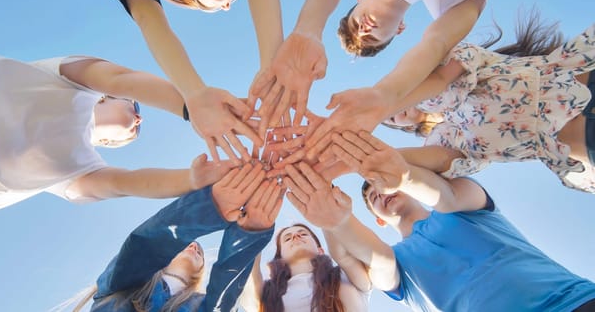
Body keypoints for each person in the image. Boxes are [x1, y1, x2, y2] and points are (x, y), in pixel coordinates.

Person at [286, 129, 595, 311]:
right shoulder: (398, 263)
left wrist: (393, 172)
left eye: (380, 187)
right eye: (371, 198)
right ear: (379, 220)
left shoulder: (462, 208)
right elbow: (379, 261)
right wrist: (337, 219)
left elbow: (444, 193)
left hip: (575, 302)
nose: (379, 194)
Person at [247, 0, 500, 149]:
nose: (365, 29)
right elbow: (437, 43)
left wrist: (308, 30)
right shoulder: (452, 5)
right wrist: (384, 94)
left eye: (356, 24)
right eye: (371, 38)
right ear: (400, 30)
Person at [0, 51, 234, 215]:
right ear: (111, 97)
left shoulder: (82, 169)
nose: (138, 118)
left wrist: (190, 179)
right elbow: (120, 78)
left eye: (136, 132)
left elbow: (128, 183)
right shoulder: (70, 83)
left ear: (109, 143)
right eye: (134, 103)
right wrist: (192, 106)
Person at [378, 20, 595, 192]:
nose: (393, 110)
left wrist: (389, 97)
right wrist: (370, 156)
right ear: (406, 126)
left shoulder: (448, 69)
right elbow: (440, 160)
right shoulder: (442, 140)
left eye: (391, 105)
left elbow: (439, 85)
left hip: (584, 79)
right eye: (392, 118)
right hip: (585, 139)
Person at [101, 0, 283, 162]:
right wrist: (271, 67)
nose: (227, 7)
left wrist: (194, 93)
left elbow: (147, 19)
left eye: (200, 4)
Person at [76, 162, 284, 311]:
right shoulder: (121, 287)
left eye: (199, 251)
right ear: (168, 255)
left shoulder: (200, 305)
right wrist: (211, 207)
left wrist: (249, 234)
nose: (194, 248)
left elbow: (225, 296)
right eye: (190, 245)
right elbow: (142, 249)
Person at [240, 222, 370, 312]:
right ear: (280, 258)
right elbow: (249, 277)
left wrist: (325, 216)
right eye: (287, 238)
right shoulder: (268, 293)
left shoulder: (344, 276)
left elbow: (345, 255)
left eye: (303, 234)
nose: (295, 236)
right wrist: (256, 228)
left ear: (320, 250)